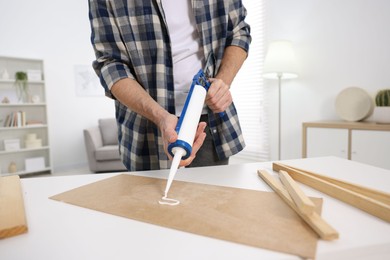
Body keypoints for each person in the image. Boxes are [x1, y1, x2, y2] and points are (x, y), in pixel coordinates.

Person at [88, 0, 251, 171]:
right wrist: (160, 117)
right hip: (146, 125)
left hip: (210, 120)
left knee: (210, 196)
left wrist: (223, 81)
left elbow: (239, 32)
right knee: (150, 196)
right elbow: (111, 64)